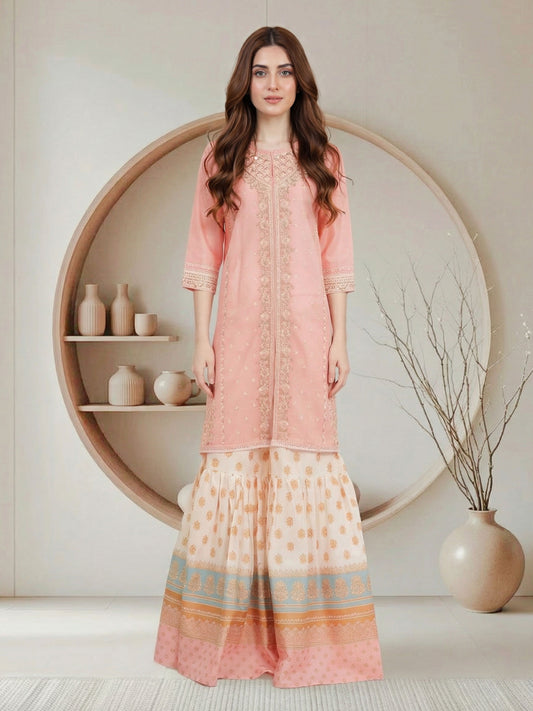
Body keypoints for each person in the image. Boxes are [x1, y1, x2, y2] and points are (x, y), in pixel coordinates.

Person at [154, 26, 384, 688]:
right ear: (245, 82)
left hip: (308, 335)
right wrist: (201, 339)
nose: (273, 83)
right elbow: (203, 255)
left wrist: (340, 339)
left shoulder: (323, 159)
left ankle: (307, 644)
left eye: (284, 71)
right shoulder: (220, 157)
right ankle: (233, 643)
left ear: (299, 81)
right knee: (236, 466)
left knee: (304, 464)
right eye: (261, 71)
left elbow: (337, 258)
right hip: (239, 333)